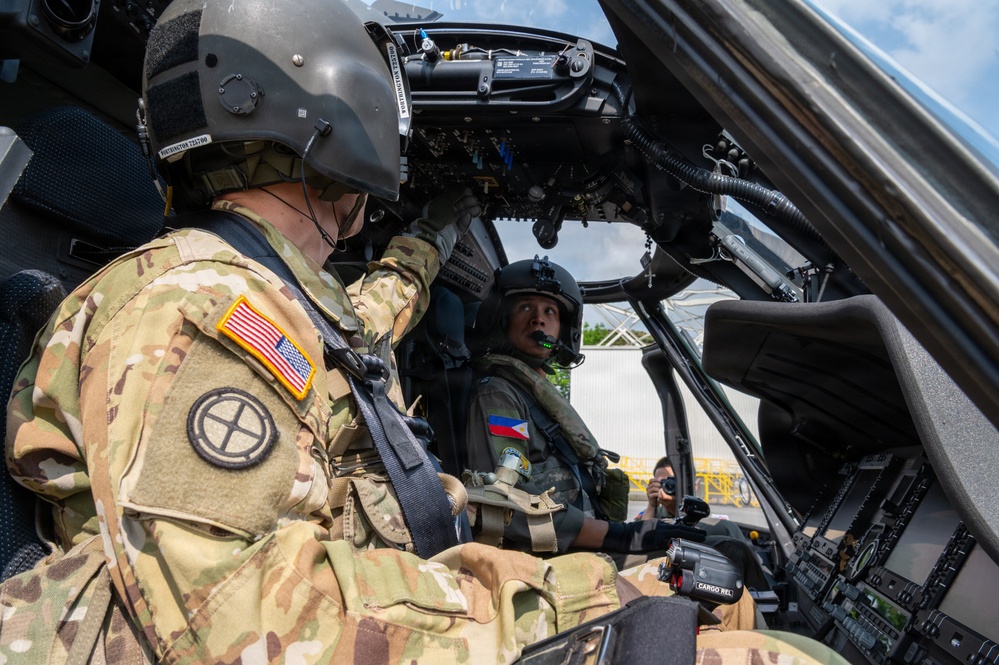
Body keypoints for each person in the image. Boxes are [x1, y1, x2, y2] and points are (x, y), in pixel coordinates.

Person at [0, 0, 656, 661]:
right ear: (346, 118)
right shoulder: (194, 309)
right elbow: (238, 623)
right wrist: (581, 613)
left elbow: (377, 314)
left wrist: (435, 231)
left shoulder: (277, 301)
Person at [464, 256, 705, 566]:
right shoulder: (499, 395)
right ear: (502, 319)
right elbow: (504, 503)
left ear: (563, 328)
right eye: (525, 308)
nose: (539, 320)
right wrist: (623, 536)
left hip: (582, 551)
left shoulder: (535, 394)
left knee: (718, 541)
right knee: (711, 558)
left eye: (549, 311)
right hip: (550, 562)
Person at [640, 457, 771, 591]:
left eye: (672, 481)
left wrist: (678, 508)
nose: (668, 487)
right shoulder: (649, 517)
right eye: (661, 483)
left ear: (692, 486)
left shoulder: (718, 526)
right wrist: (651, 505)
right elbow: (640, 543)